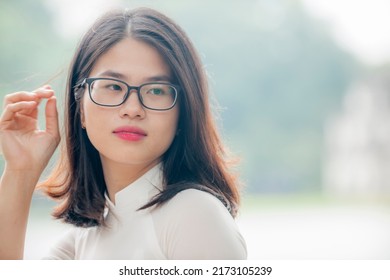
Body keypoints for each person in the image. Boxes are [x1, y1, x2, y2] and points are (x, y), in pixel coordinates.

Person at [0, 7, 247, 260]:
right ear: (80, 108)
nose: (132, 109)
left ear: (183, 112)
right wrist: (21, 171)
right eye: (114, 86)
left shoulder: (194, 216)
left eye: (156, 90)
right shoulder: (80, 242)